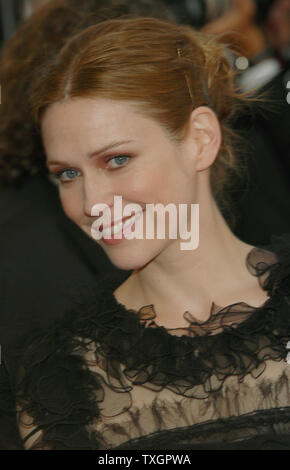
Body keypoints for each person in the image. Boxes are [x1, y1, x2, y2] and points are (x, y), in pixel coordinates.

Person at [8, 17, 290, 450]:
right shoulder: (62, 378)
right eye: (67, 173)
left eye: (116, 160)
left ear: (200, 139)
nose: (91, 202)